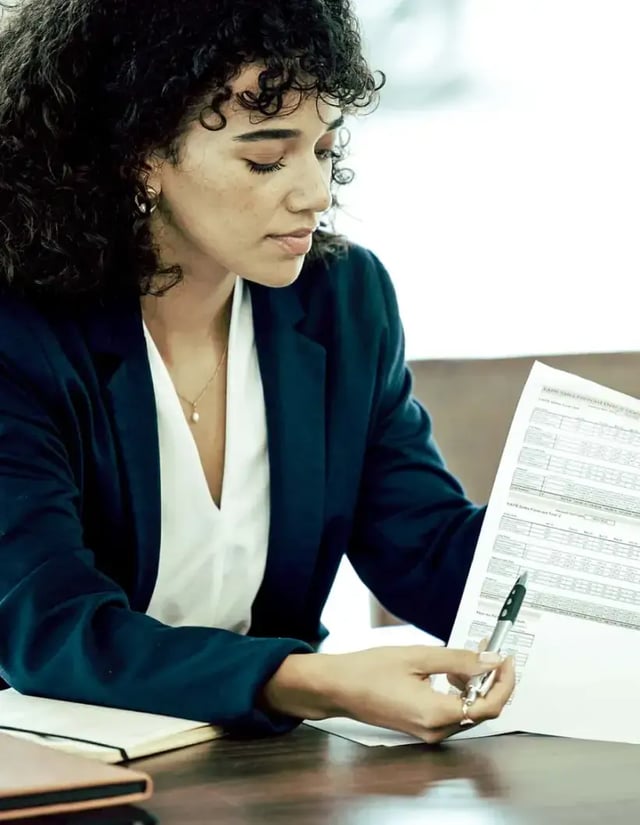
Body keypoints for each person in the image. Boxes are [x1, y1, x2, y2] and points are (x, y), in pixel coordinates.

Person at [0, 0, 514, 743]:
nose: (314, 193)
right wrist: (305, 681)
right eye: (266, 158)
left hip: (262, 776)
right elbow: (50, 627)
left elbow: (427, 549)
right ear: (139, 155)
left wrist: (593, 541)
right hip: (58, 774)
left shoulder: (341, 299)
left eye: (325, 151)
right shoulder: (21, 330)